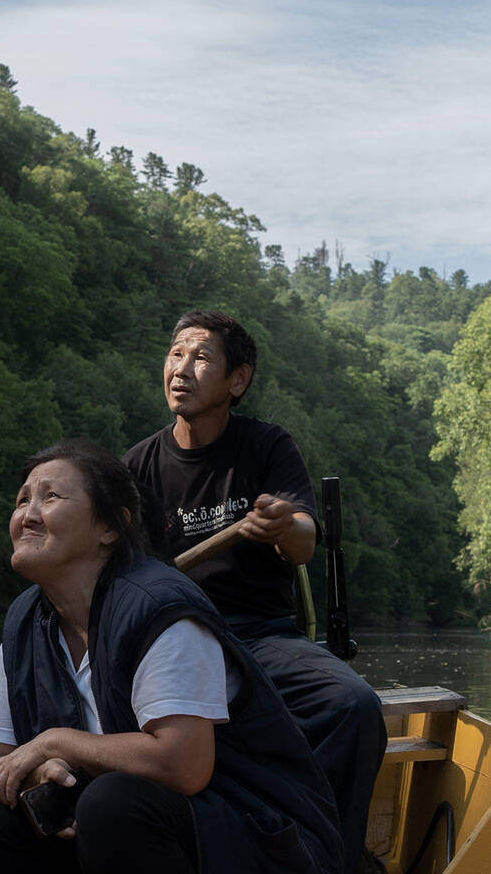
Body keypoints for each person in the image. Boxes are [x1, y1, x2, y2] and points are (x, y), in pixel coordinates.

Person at [0, 439, 341, 874]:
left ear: (109, 528)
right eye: (22, 501)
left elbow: (183, 765)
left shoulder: (161, 611)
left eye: (50, 497)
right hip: (116, 834)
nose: (27, 515)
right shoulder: (25, 622)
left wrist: (55, 742)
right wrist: (38, 772)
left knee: (112, 802)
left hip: (256, 836)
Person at [123, 310, 387, 874]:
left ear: (236, 381)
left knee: (352, 706)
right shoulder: (136, 468)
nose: (181, 368)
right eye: (175, 354)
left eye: (200, 357)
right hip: (172, 642)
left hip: (261, 637)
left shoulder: (266, 445)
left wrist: (281, 524)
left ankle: (325, 859)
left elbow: (303, 543)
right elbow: (118, 582)